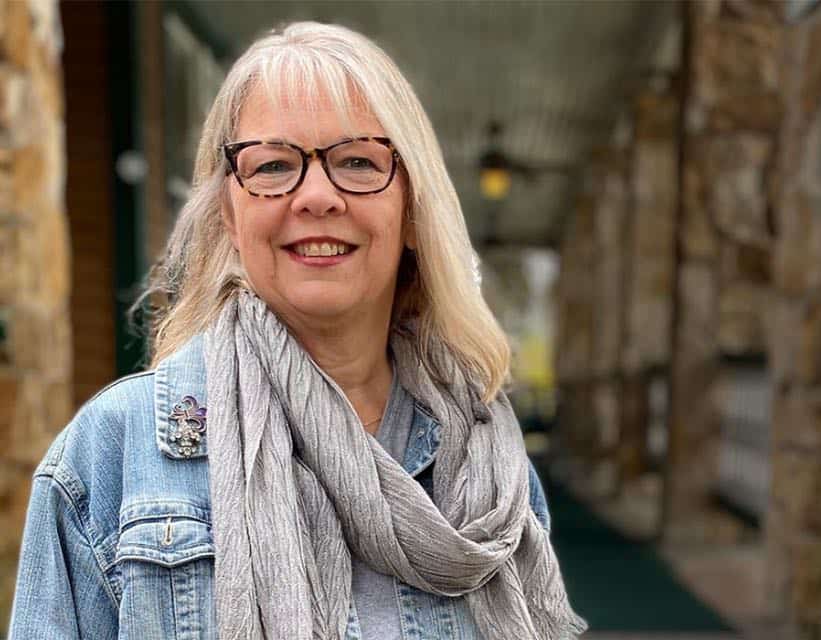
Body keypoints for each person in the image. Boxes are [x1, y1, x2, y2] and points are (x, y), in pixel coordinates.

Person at [8, 21, 587, 640]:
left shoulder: (488, 464)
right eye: (275, 164)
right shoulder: (112, 454)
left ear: (414, 211)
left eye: (359, 161)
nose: (316, 196)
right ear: (229, 213)